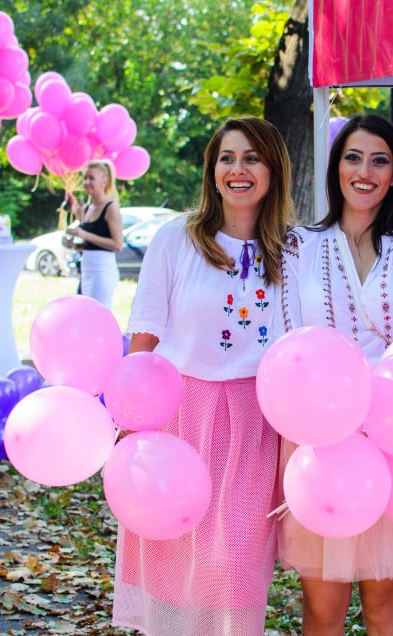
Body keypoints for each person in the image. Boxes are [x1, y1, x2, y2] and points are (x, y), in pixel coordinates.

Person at [110, 117, 294, 636]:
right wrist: (128, 423)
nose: (238, 169)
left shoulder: (293, 249)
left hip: (255, 424)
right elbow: (144, 334)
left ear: (273, 169)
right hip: (178, 417)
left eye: (252, 158)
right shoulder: (176, 239)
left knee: (231, 568)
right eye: (227, 158)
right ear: (212, 170)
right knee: (172, 562)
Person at [279, 113, 393, 635]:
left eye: (379, 160)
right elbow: (293, 346)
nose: (365, 171)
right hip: (320, 444)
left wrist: (375, 414)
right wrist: (333, 415)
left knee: (384, 606)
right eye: (353, 157)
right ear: (337, 168)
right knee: (321, 608)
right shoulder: (301, 246)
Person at [65, 160, 123, 308]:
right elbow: (90, 243)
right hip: (87, 267)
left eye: (91, 178)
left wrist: (82, 234)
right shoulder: (86, 209)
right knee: (84, 313)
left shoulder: (111, 208)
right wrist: (72, 243)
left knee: (99, 312)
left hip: (102, 269)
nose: (86, 182)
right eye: (85, 178)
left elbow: (117, 244)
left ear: (104, 181)